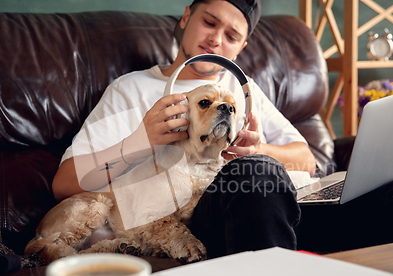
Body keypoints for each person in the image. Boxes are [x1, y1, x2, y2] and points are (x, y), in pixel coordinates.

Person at [52, 0, 315, 258]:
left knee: (263, 171)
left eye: (232, 37)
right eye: (209, 22)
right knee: (255, 174)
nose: (215, 39)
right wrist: (139, 142)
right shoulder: (130, 89)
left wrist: (259, 150)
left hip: (255, 207)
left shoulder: (246, 91)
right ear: (186, 17)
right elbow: (64, 185)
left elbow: (308, 161)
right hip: (189, 219)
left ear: (240, 49)